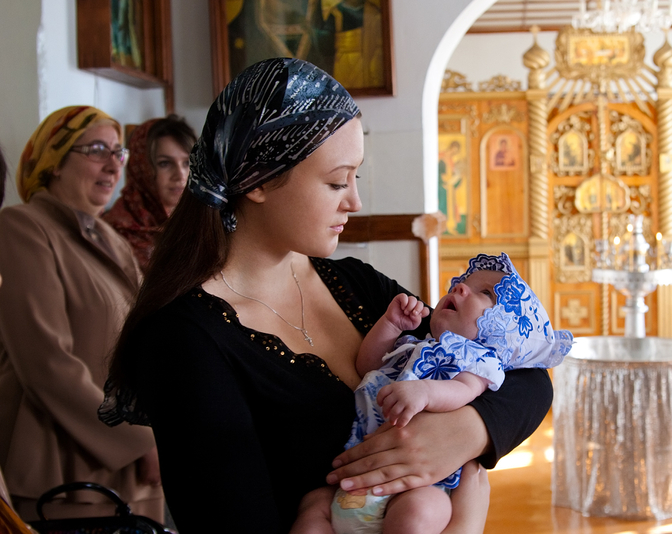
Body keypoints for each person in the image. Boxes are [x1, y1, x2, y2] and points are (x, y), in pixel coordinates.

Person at [99, 58, 554, 533]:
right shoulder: (183, 340)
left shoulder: (356, 284)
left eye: (355, 178)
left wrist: (466, 431)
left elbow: (524, 372)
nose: (354, 202)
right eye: (337, 181)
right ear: (259, 179)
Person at [293, 253, 572, 534]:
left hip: (418, 487)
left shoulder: (479, 360)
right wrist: (390, 326)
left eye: (486, 293)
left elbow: (463, 389)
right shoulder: (413, 344)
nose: (459, 287)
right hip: (352, 482)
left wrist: (425, 392)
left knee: (420, 513)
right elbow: (368, 367)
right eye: (463, 283)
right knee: (313, 504)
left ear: (504, 331)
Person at [0, 106, 163, 522]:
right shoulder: (23, 227)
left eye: (118, 152)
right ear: (53, 161)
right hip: (66, 472)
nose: (113, 164)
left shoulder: (109, 237)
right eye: (96, 150)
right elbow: (45, 362)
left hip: (136, 473)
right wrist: (138, 440)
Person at [103, 115, 197, 270]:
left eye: (187, 163)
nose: (180, 175)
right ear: (141, 168)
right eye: (164, 163)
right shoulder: (114, 233)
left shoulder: (202, 222)